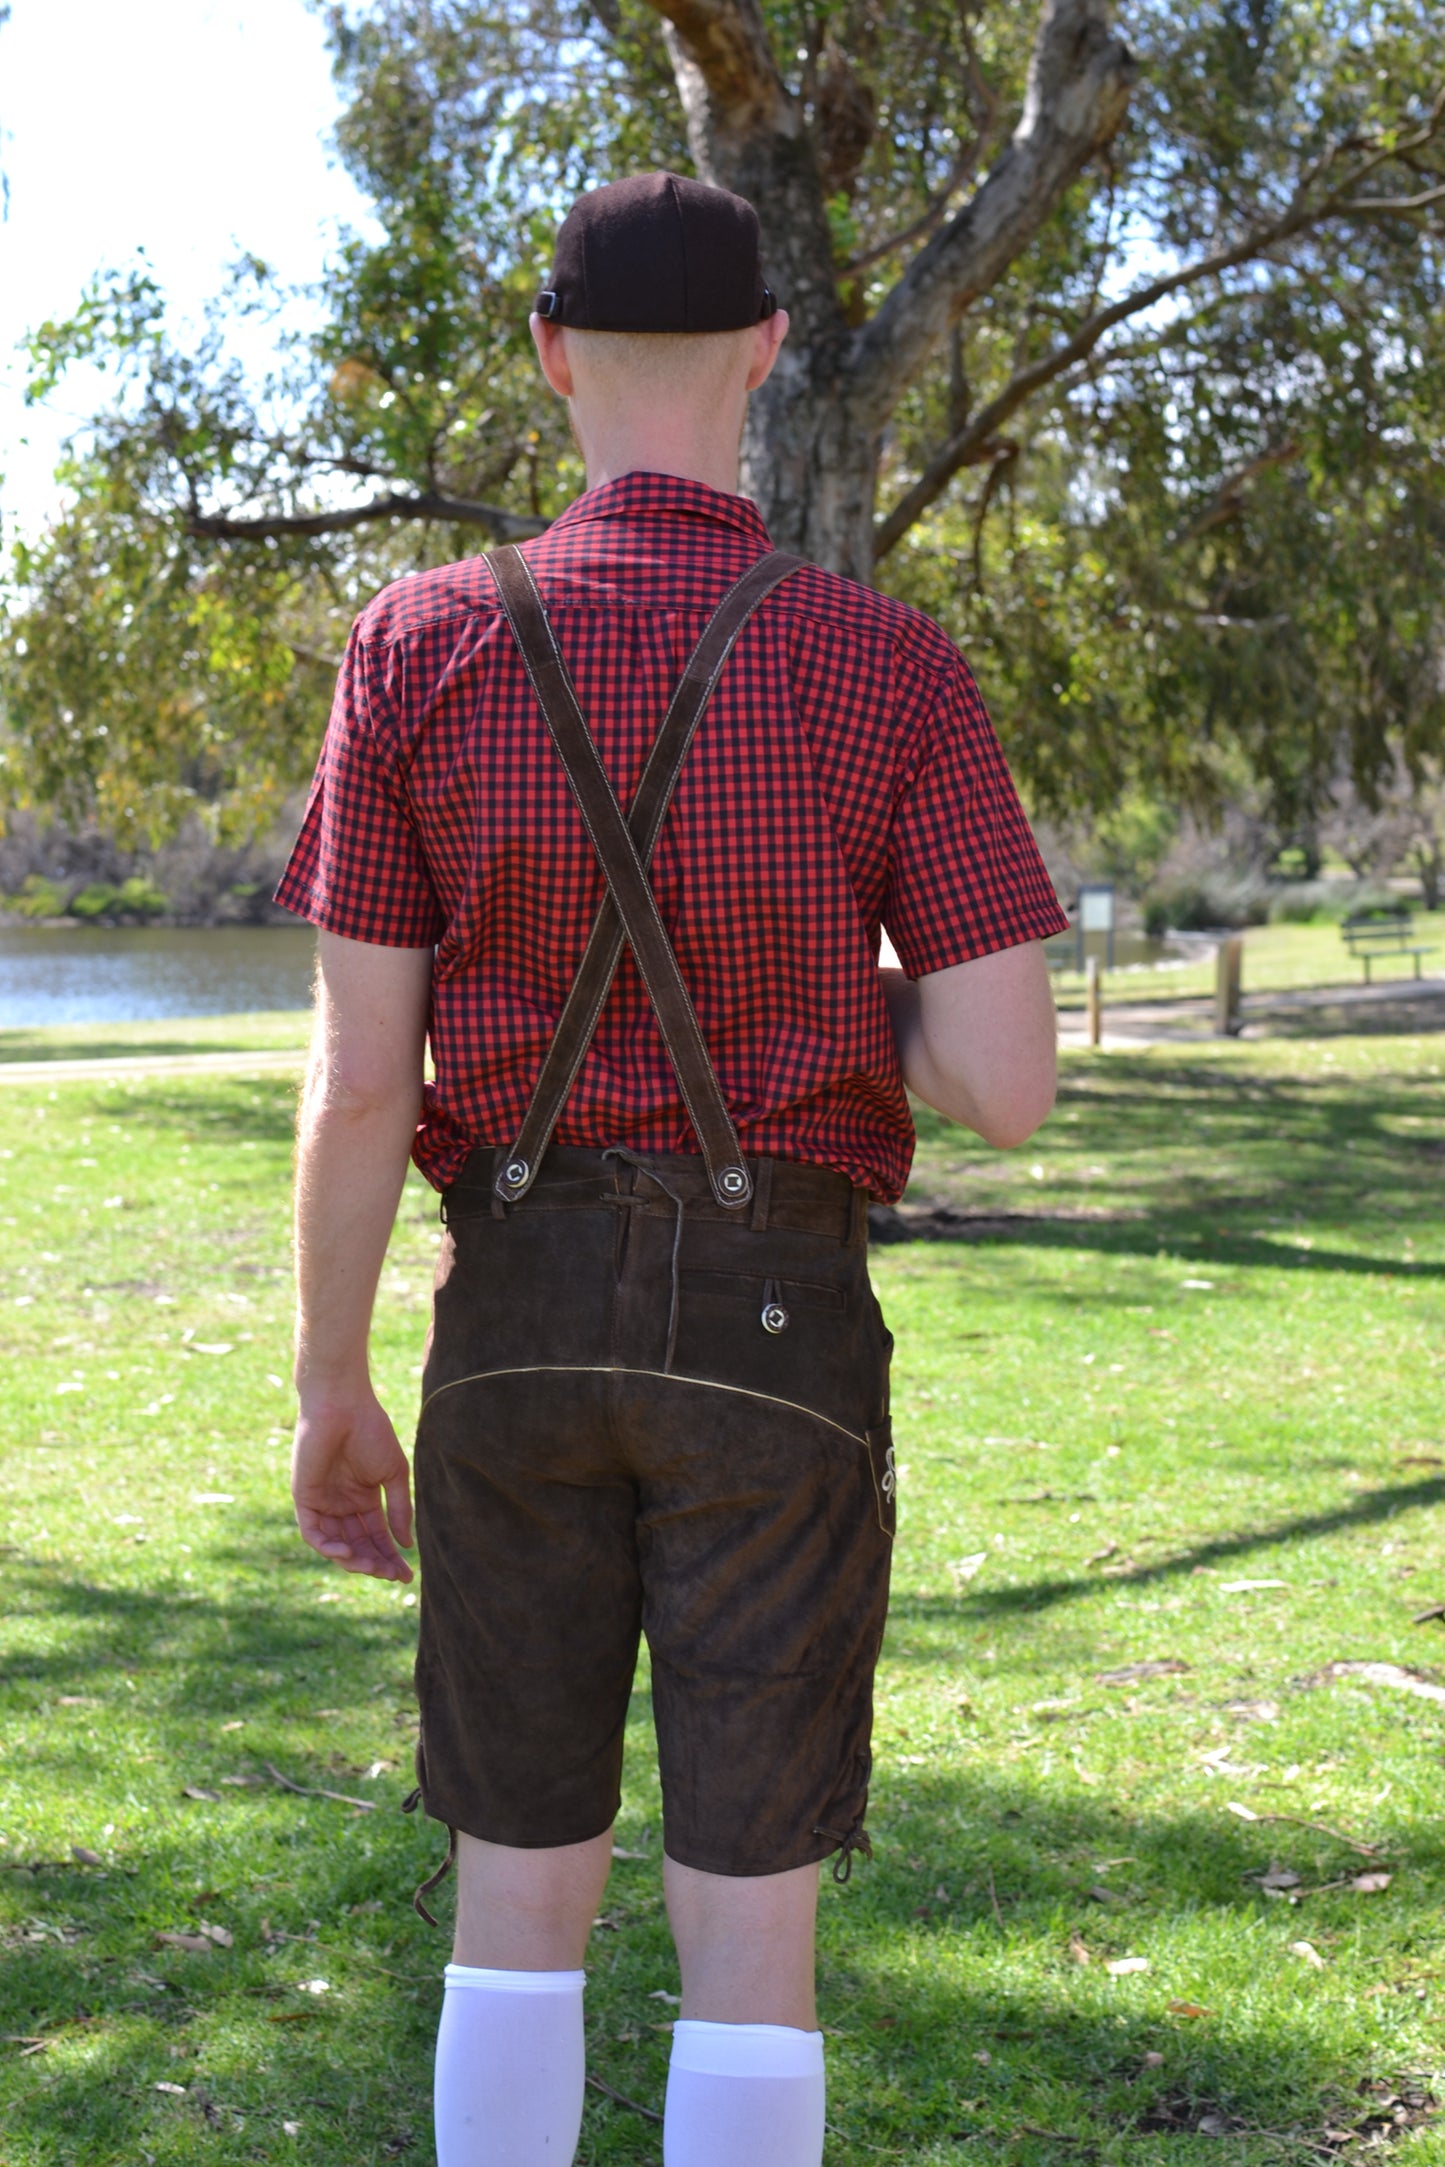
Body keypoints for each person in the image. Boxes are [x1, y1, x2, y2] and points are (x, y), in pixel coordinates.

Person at [276, 170, 1065, 2167]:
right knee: (748, 1940)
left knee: (516, 1909)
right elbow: (1005, 1083)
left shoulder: (415, 644)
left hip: (511, 1314)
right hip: (775, 1327)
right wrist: (814, 1005)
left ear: (547, 357)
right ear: (771, 355)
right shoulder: (889, 665)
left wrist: (328, 1379)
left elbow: (366, 1076)